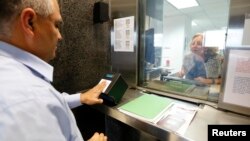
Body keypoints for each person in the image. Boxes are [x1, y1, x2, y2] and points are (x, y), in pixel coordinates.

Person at [0, 0, 107, 141]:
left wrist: (80, 98)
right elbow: (37, 101)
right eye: (56, 25)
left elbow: (47, 103)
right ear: (29, 22)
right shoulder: (31, 99)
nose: (60, 36)